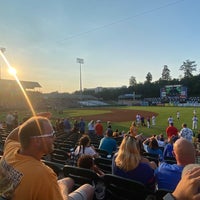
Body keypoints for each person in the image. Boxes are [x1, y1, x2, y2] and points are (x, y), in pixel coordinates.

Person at [0, 115, 94, 200]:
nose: (55, 138)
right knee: (88, 188)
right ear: (37, 141)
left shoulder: (11, 149)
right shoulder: (44, 174)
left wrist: (31, 123)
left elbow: (11, 137)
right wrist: (62, 190)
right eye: (51, 135)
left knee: (69, 180)